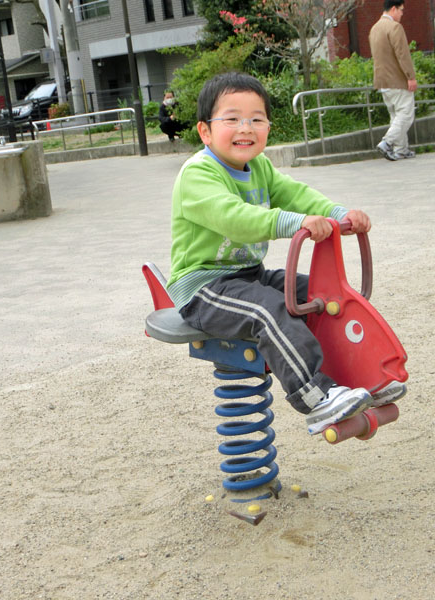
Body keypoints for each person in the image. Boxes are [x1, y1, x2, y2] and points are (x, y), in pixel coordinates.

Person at [166, 72, 405, 435]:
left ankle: (353, 378)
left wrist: (338, 215)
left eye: (256, 119)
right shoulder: (197, 174)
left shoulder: (260, 167)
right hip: (204, 287)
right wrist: (294, 223)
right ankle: (317, 398)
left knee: (318, 296)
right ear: (205, 131)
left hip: (248, 274)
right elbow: (236, 219)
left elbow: (298, 195)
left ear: (268, 127)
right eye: (231, 119)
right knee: (268, 310)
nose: (245, 128)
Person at [369, 0, 417, 161]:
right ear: (394, 9)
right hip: (397, 80)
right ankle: (387, 142)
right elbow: (403, 54)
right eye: (401, 10)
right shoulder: (395, 27)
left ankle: (401, 149)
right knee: (406, 114)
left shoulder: (374, 28)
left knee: (395, 116)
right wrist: (411, 76)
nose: (402, 14)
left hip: (382, 81)